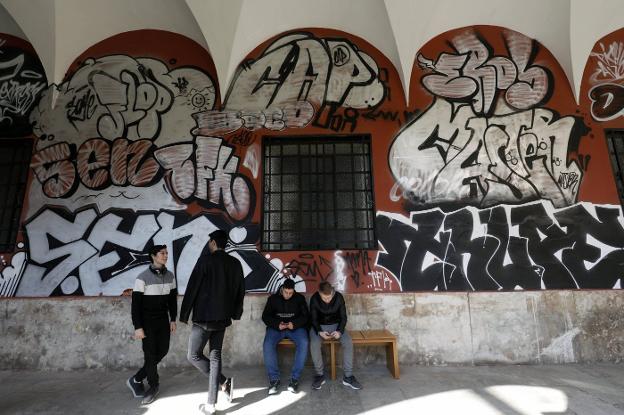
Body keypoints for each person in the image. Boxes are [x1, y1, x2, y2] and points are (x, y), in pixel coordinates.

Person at [180, 229, 245, 414]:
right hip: (223, 318)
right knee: (215, 357)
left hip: (204, 318)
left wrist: (184, 314)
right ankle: (213, 401)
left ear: (214, 243)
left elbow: (193, 288)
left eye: (210, 242)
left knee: (193, 355)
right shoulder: (235, 263)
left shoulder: (205, 261)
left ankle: (223, 384)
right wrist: (236, 313)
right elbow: (240, 290)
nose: (209, 244)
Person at [127, 245, 178, 405]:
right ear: (153, 256)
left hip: (163, 320)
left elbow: (172, 300)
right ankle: (153, 386)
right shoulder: (142, 278)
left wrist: (173, 319)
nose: (165, 255)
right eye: (162, 253)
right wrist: (138, 327)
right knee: (150, 354)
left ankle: (136, 379)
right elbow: (135, 305)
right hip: (147, 322)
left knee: (162, 350)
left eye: (166, 253)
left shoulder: (170, 276)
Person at [309, 282, 362, 390]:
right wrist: (319, 331)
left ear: (332, 292)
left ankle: (348, 377)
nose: (327, 300)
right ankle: (319, 375)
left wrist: (339, 331)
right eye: (324, 298)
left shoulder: (338, 297)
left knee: (348, 342)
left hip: (336, 326)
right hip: (319, 326)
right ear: (319, 293)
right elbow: (313, 318)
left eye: (329, 297)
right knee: (314, 343)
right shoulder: (314, 298)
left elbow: (343, 317)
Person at [262, 278, 309, 395]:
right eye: (286, 292)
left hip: (295, 328)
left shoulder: (300, 299)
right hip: (277, 328)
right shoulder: (273, 299)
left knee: (304, 342)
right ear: (282, 289)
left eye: (290, 293)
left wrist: (295, 324)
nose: (288, 295)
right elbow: (265, 317)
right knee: (267, 344)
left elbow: (306, 316)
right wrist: (277, 324)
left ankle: (294, 379)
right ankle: (274, 380)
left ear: (293, 291)